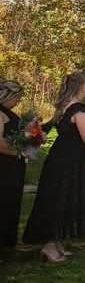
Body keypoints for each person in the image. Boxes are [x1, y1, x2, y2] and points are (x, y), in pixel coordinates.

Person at [23, 72, 85, 262]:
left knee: (60, 195)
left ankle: (57, 243)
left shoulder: (65, 107)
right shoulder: (79, 109)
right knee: (62, 198)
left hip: (59, 157)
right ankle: (49, 246)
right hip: (71, 161)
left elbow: (49, 128)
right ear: (80, 86)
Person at [0, 80, 27, 251]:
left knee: (11, 202)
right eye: (17, 97)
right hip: (4, 167)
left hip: (13, 167)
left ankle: (8, 241)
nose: (18, 101)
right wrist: (18, 152)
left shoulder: (8, 112)